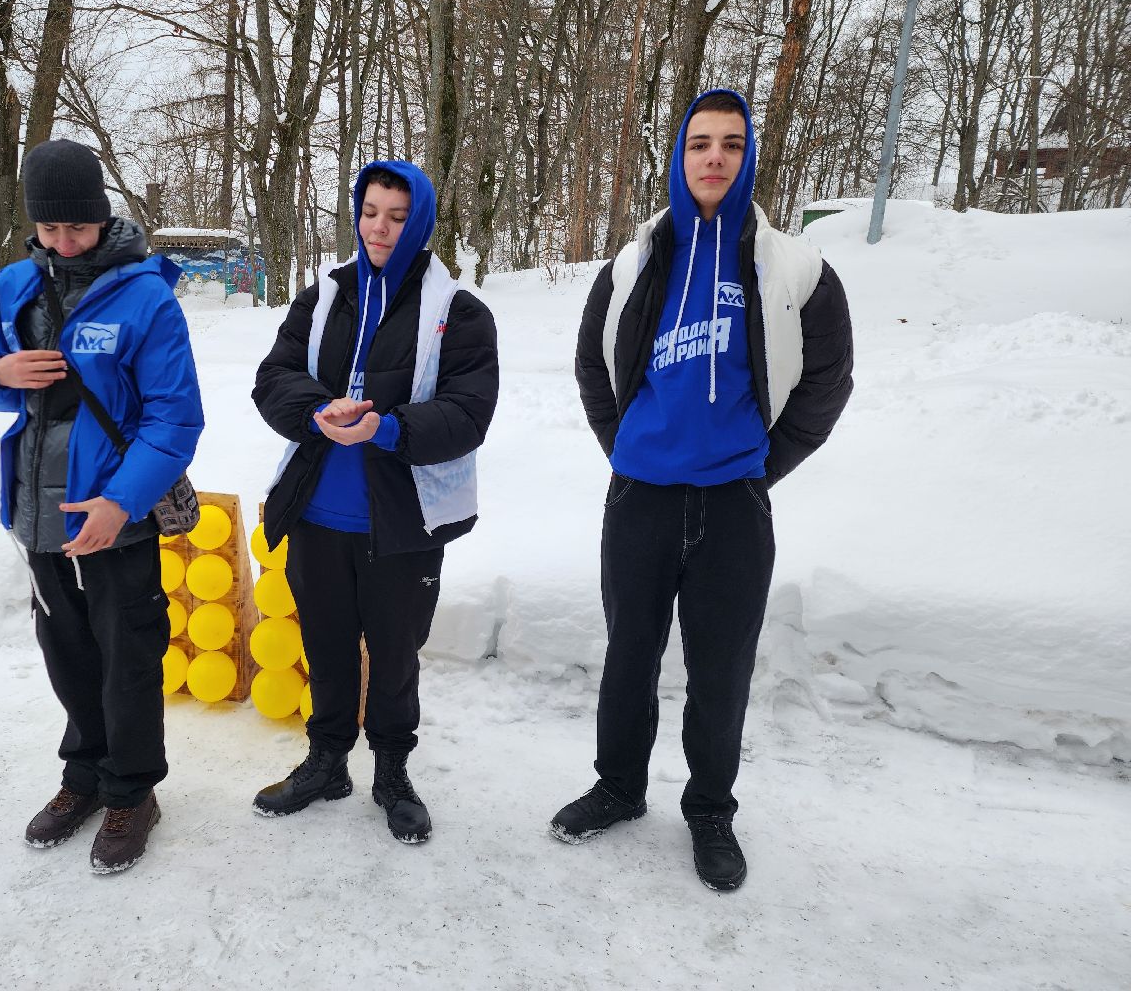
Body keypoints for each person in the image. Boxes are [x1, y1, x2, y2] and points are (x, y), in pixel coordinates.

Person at [551, 90, 853, 890]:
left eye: (729, 143)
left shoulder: (794, 267)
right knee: (629, 658)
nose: (713, 157)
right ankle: (618, 787)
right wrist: (628, 449)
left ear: (748, 156)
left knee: (720, 670)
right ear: (679, 157)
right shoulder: (637, 260)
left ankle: (710, 809)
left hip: (733, 507)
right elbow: (592, 363)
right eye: (699, 144)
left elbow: (827, 381)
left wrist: (759, 463)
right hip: (640, 502)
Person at [0, 139, 204, 874]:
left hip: (115, 515)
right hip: (37, 513)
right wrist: (1, 372)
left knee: (127, 657)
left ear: (102, 218)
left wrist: (119, 505)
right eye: (50, 229)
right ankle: (85, 775)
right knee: (65, 655)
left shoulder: (146, 297)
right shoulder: (13, 285)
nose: (64, 242)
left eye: (78, 228)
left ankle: (133, 789)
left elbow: (175, 420)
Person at [251, 160, 498, 843]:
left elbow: (467, 414)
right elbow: (274, 379)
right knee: (326, 649)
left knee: (394, 657)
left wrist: (385, 428)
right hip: (319, 514)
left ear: (418, 221)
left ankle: (392, 772)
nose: (380, 228)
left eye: (396, 215)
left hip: (402, 524)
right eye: (370, 213)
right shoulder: (326, 297)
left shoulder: (457, 313)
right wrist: (318, 409)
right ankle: (327, 762)